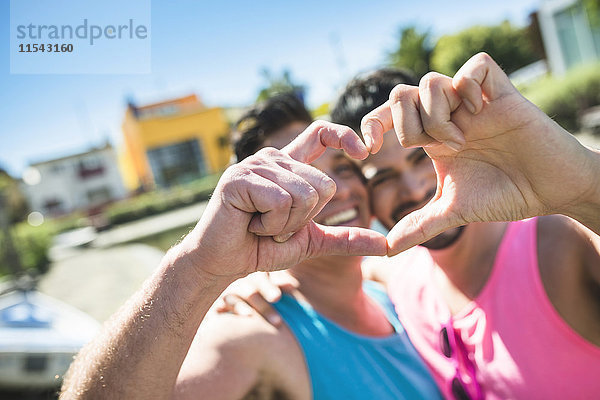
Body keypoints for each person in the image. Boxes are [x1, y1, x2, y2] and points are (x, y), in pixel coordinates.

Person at [226, 54, 600, 399]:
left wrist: (583, 183)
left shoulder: (561, 240)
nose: (415, 189)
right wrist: (257, 273)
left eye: (424, 159)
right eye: (383, 177)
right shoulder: (401, 278)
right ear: (364, 193)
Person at [60, 94, 441, 400]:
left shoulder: (389, 289)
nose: (332, 189)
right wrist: (201, 269)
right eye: (299, 180)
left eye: (342, 167)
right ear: (259, 207)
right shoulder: (253, 334)